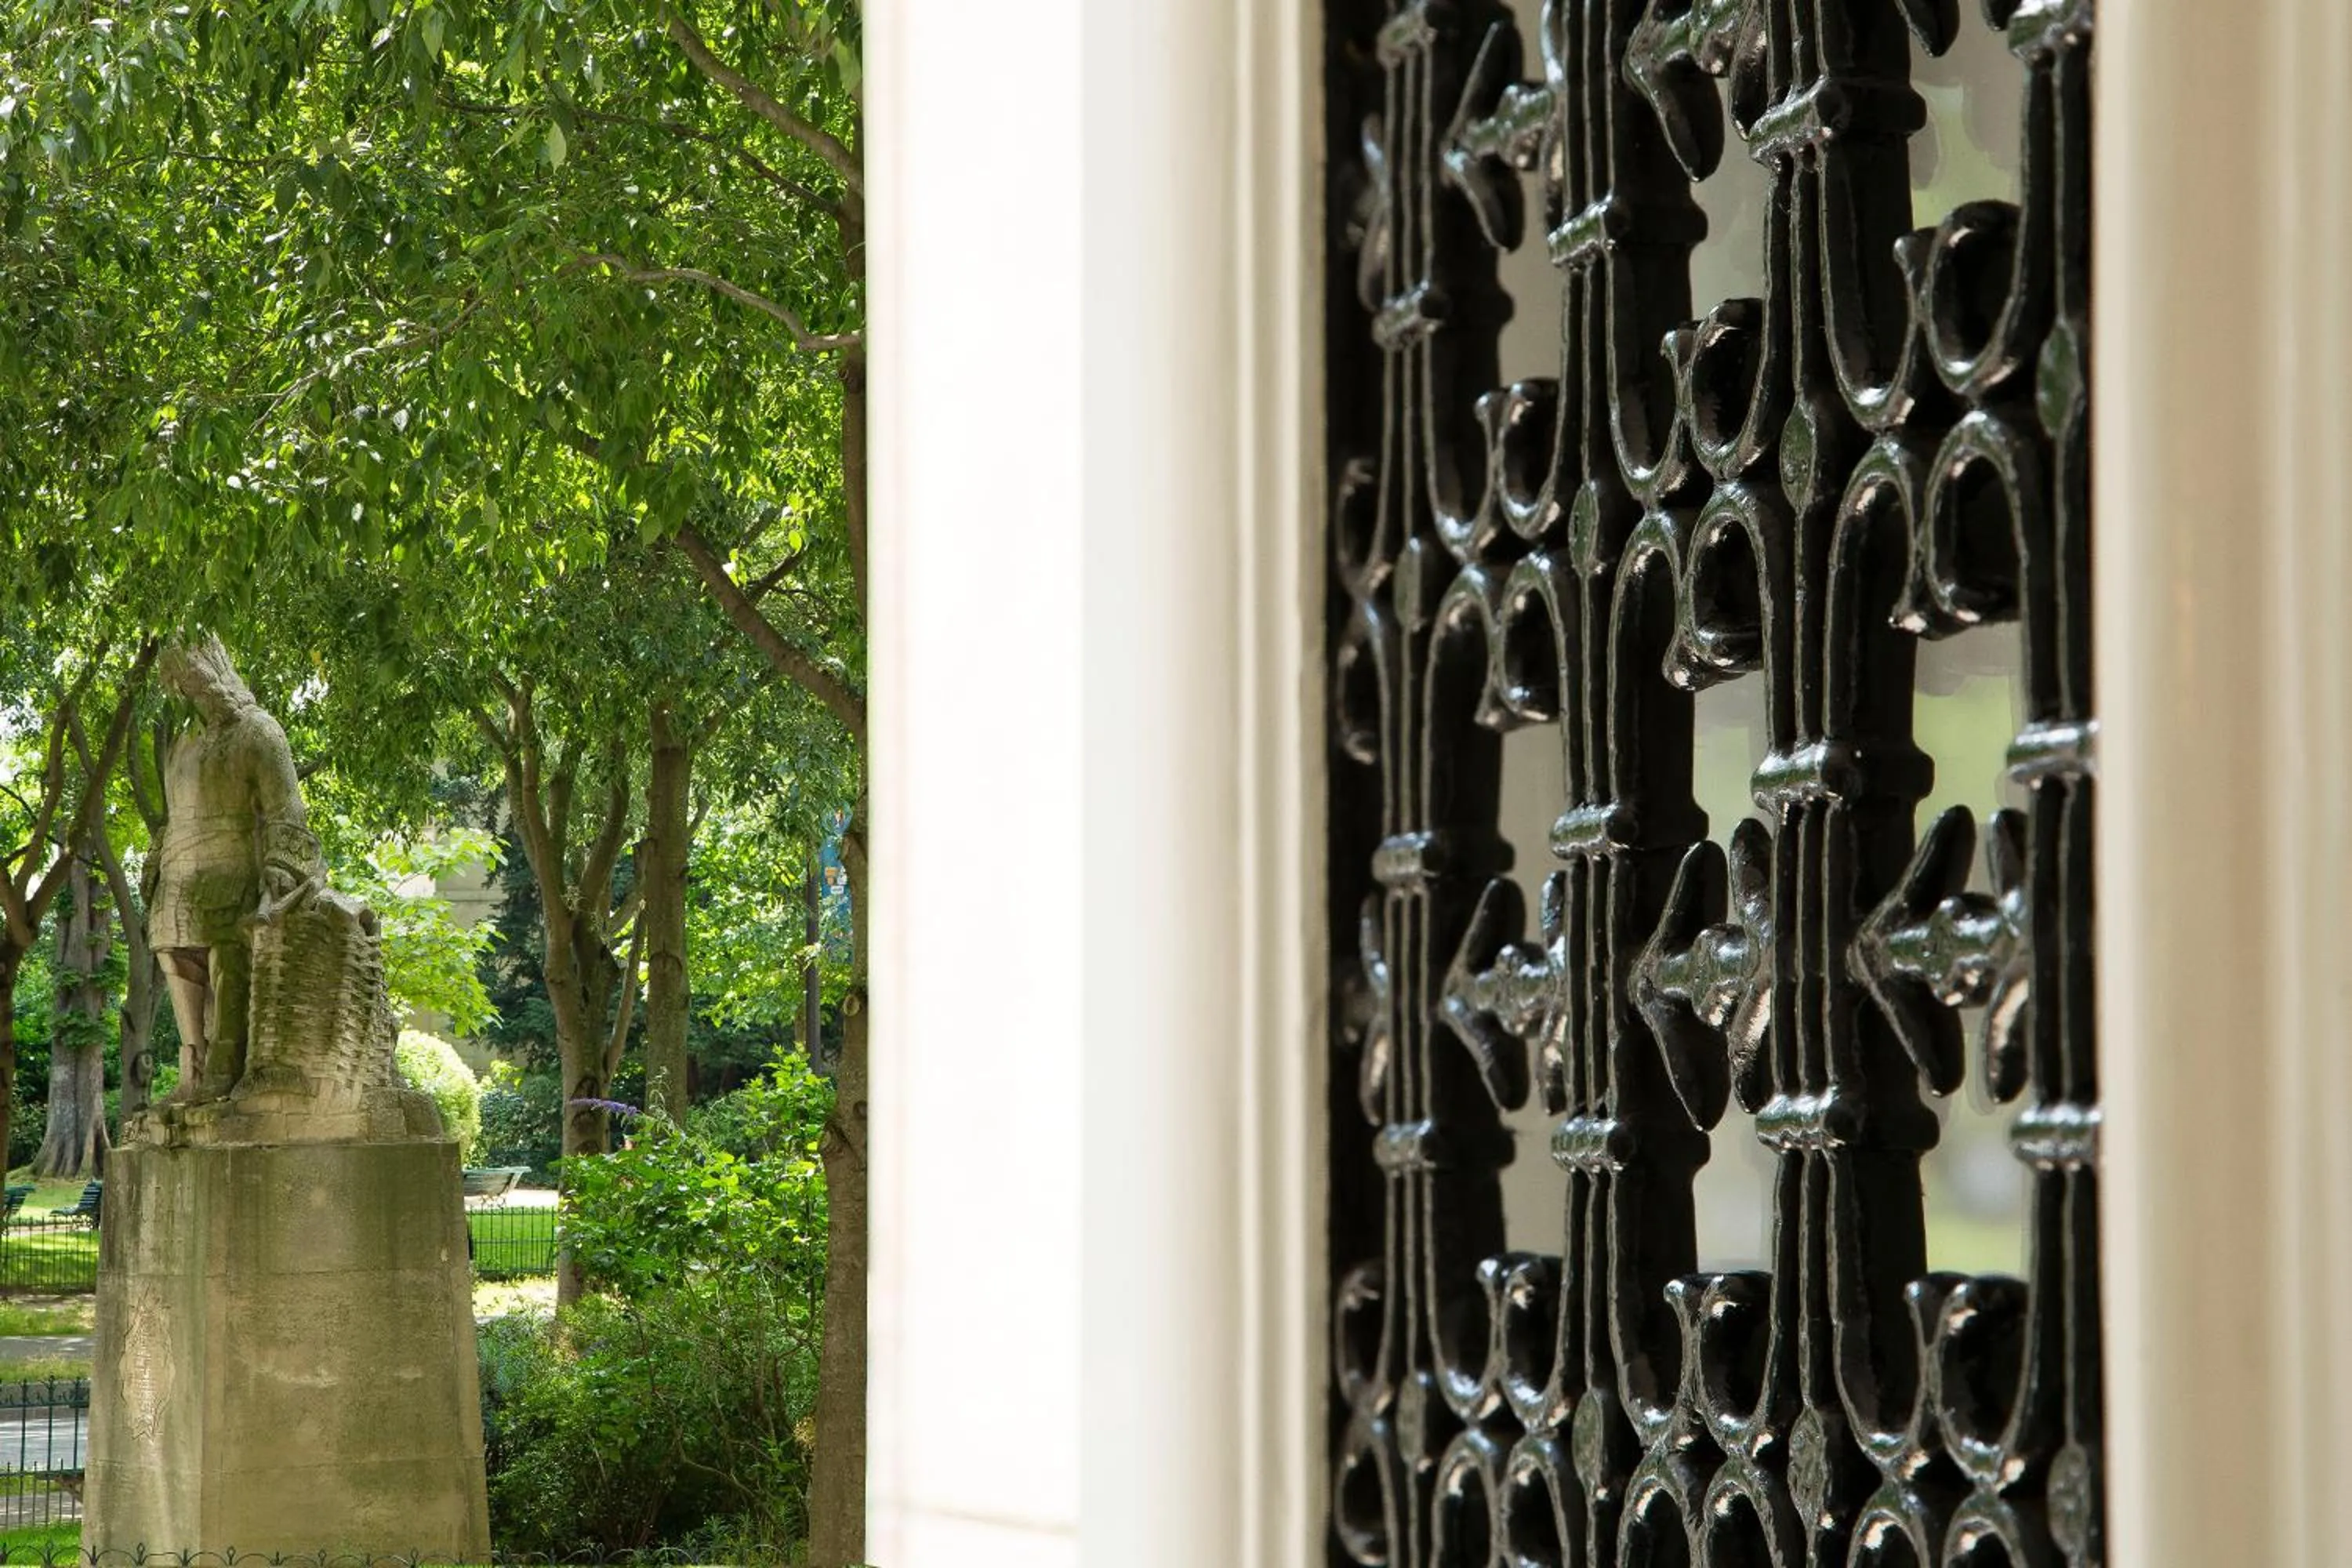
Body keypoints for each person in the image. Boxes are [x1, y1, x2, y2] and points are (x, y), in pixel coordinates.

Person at [144, 636, 325, 1102]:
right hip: (180, 868)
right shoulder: (180, 743)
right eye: (174, 683)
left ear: (210, 671)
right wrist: (156, 857)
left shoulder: (259, 732)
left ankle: (227, 1063)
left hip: (234, 863)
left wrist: (281, 869)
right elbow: (171, 814)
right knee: (175, 954)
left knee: (228, 957)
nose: (183, 690)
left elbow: (287, 811)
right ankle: (193, 1066)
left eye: (187, 678)